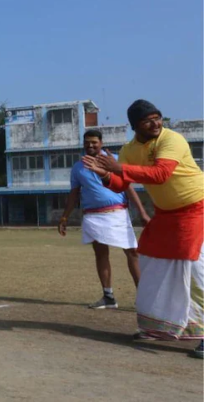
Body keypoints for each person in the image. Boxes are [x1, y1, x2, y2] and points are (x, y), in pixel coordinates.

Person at [83, 99, 203, 359]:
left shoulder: (172, 139)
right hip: (167, 214)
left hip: (197, 208)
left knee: (196, 270)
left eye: (158, 117)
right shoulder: (128, 150)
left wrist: (118, 168)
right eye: (148, 120)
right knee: (150, 263)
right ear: (135, 125)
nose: (156, 123)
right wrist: (105, 174)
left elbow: (160, 174)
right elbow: (120, 183)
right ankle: (159, 326)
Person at [58, 129, 150, 309]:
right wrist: (64, 217)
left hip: (118, 214)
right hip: (93, 216)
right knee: (100, 254)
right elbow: (74, 194)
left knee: (132, 253)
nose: (90, 145)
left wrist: (142, 212)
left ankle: (144, 298)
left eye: (94, 142)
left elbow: (128, 187)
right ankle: (108, 297)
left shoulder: (113, 160)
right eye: (87, 143)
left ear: (101, 143)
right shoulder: (78, 168)